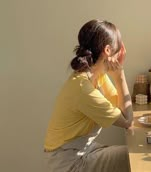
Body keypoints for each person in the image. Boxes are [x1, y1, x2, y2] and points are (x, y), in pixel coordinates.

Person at [44, 19, 133, 172]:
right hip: (70, 162)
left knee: (132, 155)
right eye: (119, 46)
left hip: (82, 150)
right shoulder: (83, 88)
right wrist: (120, 76)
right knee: (134, 157)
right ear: (108, 50)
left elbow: (123, 110)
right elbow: (127, 121)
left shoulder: (96, 76)